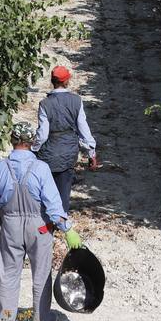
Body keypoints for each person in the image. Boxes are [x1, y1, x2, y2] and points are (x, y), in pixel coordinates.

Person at [0, 122, 83, 321]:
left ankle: (6, 319)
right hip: (40, 227)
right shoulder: (41, 168)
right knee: (41, 274)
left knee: (9, 274)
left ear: (12, 140)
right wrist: (68, 229)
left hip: (10, 226)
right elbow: (54, 206)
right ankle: (41, 319)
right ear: (32, 142)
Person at [35, 65, 98, 216]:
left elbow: (43, 134)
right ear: (67, 81)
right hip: (69, 151)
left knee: (47, 188)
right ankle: (61, 219)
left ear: (52, 81)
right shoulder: (76, 101)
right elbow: (83, 129)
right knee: (64, 187)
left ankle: (46, 219)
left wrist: (34, 148)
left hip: (48, 152)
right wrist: (91, 153)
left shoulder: (45, 104)